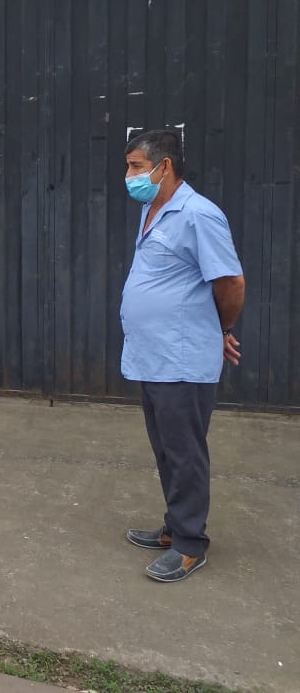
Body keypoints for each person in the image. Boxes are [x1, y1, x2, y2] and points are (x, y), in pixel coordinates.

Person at [119, 130, 244, 583]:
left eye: (136, 166)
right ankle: (174, 526)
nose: (129, 175)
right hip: (153, 355)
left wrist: (220, 329)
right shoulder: (153, 210)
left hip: (182, 358)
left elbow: (230, 282)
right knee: (167, 449)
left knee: (185, 452)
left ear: (164, 166)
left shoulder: (199, 214)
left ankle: (191, 545)